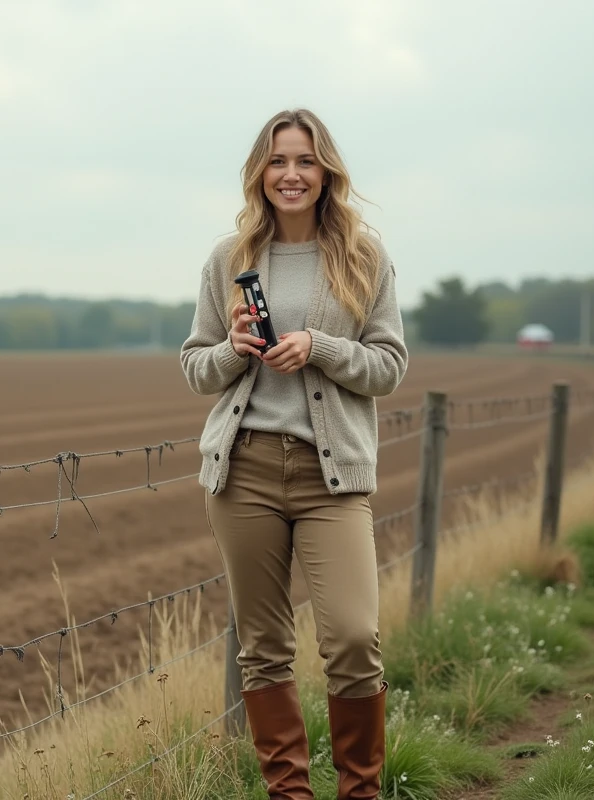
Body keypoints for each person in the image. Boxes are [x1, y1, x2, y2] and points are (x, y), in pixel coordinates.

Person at [180, 108, 408, 799]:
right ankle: (290, 794)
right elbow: (195, 367)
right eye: (278, 161)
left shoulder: (364, 257)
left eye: (305, 160)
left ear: (326, 171)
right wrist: (233, 350)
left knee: (354, 639)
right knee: (264, 649)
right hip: (244, 472)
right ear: (260, 173)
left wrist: (321, 347)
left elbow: (389, 366)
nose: (291, 174)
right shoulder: (230, 259)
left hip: (331, 478)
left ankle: (360, 792)